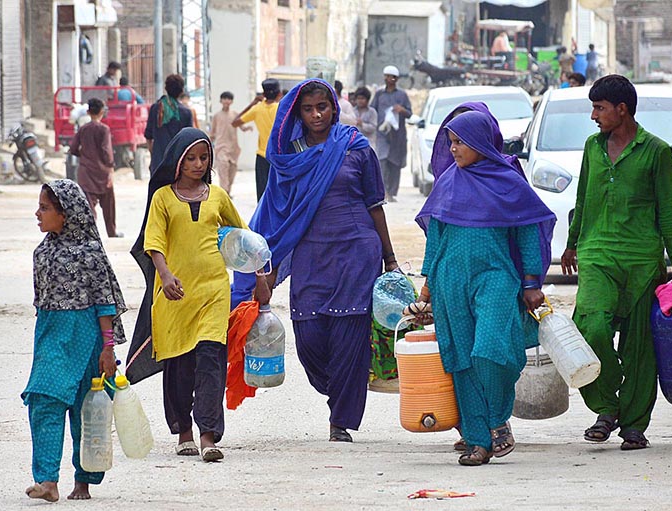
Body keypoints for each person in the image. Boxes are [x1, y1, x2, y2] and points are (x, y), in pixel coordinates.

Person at [230, 79, 399, 443]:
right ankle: (336, 390)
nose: (317, 114)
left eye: (322, 106)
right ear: (297, 113)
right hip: (310, 253)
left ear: (333, 107)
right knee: (309, 339)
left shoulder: (355, 147)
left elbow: (375, 204)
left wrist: (390, 257)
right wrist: (264, 265)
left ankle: (342, 418)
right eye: (308, 109)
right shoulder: (289, 157)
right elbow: (276, 211)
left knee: (350, 335)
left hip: (357, 250)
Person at [411, 110, 555, 465]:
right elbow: (436, 238)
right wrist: (426, 291)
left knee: (490, 349)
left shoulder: (508, 181)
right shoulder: (447, 182)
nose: (454, 149)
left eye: (461, 142)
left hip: (495, 278)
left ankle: (497, 418)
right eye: (452, 143)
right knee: (461, 359)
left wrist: (532, 282)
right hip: (449, 281)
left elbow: (525, 234)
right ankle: (478, 440)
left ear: (479, 142)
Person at [560, 75, 672, 451]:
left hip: (642, 261)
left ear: (622, 109)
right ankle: (607, 405)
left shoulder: (657, 151)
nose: (593, 116)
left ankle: (633, 425)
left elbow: (669, 211)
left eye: (599, 108)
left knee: (640, 346)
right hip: (597, 253)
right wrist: (571, 243)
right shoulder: (592, 146)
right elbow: (583, 198)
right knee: (590, 326)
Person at [133, 128, 254, 462]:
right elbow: (153, 242)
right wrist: (166, 275)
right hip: (174, 295)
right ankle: (183, 431)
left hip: (214, 290)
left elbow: (242, 238)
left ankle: (208, 436)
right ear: (177, 160)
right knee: (179, 365)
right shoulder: (163, 199)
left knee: (211, 360)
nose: (198, 164)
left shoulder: (217, 197)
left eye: (204, 157)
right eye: (191, 158)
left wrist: (260, 273)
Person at [22, 179, 127, 501]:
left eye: (45, 208)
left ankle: (84, 479)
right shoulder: (43, 252)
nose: (37, 214)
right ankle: (47, 481)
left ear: (65, 214)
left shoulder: (90, 253)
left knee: (87, 411)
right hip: (52, 339)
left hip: (86, 341)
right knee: (43, 401)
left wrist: (108, 348)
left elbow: (105, 303)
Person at [69, 98, 122, 238]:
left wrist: (85, 154)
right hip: (102, 172)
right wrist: (110, 167)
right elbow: (106, 151)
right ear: (102, 112)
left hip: (86, 172)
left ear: (88, 112)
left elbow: (73, 149)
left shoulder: (83, 129)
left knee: (88, 204)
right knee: (109, 203)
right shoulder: (104, 129)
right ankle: (111, 231)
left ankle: (89, 232)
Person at [232, 78, 282, 201]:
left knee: (262, 195)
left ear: (263, 94)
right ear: (279, 94)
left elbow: (235, 122)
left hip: (262, 157)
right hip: (279, 157)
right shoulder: (281, 108)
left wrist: (253, 103)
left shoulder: (257, 109)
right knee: (278, 194)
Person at [371, 65, 412, 202]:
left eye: (392, 77)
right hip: (382, 134)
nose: (390, 79)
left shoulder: (402, 95)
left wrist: (401, 110)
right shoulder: (379, 94)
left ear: (397, 79)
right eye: (387, 76)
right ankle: (384, 191)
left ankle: (392, 192)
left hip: (397, 135)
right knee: (382, 162)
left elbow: (409, 114)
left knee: (395, 163)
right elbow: (373, 110)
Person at [144, 74, 194, 176]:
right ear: (181, 91)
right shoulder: (186, 112)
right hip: (179, 164)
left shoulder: (155, 109)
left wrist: (154, 154)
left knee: (158, 191)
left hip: (158, 162)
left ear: (166, 88)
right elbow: (190, 140)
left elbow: (148, 136)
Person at [209, 91, 253, 195]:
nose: (226, 101)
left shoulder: (235, 114)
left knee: (231, 172)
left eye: (229, 99)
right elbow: (212, 133)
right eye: (224, 99)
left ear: (232, 101)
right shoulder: (216, 116)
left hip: (233, 149)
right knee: (223, 171)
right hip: (221, 148)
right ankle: (225, 193)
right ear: (221, 100)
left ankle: (227, 191)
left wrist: (247, 128)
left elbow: (242, 127)